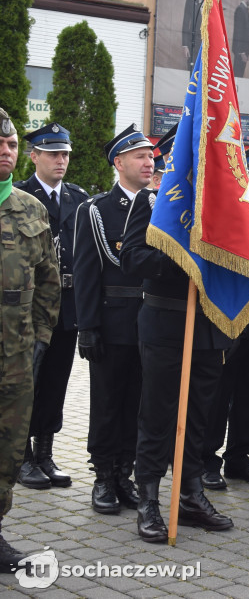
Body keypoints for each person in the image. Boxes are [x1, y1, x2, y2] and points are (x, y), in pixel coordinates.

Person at [121, 187, 234, 543]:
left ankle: (189, 496)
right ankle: (149, 501)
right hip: (166, 323)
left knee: (198, 417)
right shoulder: (155, 199)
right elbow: (133, 258)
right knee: (158, 416)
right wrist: (183, 260)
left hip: (209, 326)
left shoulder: (225, 200)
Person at [72, 125, 154, 515]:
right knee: (108, 404)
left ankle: (127, 473)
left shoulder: (162, 207)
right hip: (113, 322)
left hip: (153, 322)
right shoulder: (96, 211)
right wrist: (87, 326)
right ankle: (104, 475)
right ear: (119, 163)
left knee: (139, 404)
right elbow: (87, 273)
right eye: (139, 156)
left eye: (151, 155)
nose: (148, 161)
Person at [0, 107, 60, 573]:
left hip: (15, 356)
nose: (6, 151)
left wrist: (39, 338)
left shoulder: (30, 208)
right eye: (0, 144)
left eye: (12, 145)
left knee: (8, 448)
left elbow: (49, 280)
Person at [15, 123, 87, 491]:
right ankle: (22, 456)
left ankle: (45, 452)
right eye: (53, 153)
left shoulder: (78, 198)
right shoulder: (19, 194)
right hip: (28, 309)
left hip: (68, 306)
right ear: (34, 156)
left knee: (57, 381)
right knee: (28, 381)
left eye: (65, 154)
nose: (61, 160)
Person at [201, 149, 249, 491]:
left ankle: (240, 457)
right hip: (227, 318)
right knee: (218, 394)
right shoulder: (225, 214)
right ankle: (207, 461)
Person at [233, 0, 249, 78]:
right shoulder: (240, 10)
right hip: (240, 52)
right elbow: (238, 32)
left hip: (243, 51)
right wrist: (241, 52)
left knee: (239, 75)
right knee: (237, 75)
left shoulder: (244, 10)